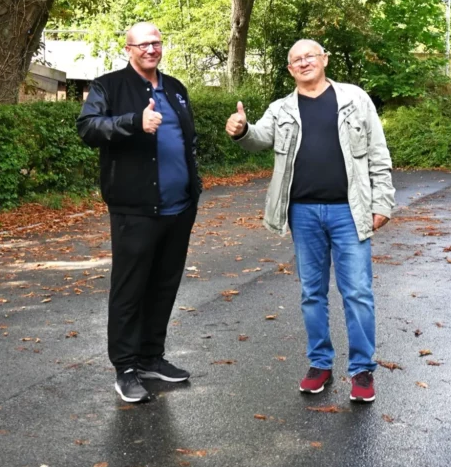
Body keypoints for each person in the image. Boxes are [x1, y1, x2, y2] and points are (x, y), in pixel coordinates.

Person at [225, 39, 395, 402]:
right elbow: (259, 139)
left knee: (358, 293)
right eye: (296, 60)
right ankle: (320, 364)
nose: (304, 63)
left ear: (324, 60)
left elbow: (378, 154)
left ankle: (362, 371)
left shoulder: (355, 99)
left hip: (350, 211)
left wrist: (383, 201)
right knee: (311, 294)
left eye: (310, 57)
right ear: (290, 69)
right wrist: (241, 130)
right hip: (302, 213)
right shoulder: (282, 108)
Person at [77, 22, 201, 403]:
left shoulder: (176, 88)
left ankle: (151, 357)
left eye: (156, 42)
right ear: (128, 48)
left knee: (164, 285)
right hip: (135, 210)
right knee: (130, 289)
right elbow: (88, 127)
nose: (151, 49)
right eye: (142, 43)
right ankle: (126, 367)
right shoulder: (108, 86)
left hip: (179, 208)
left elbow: (187, 139)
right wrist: (134, 121)